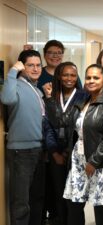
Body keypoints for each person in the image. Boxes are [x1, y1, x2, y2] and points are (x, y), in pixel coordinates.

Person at [63, 64, 103, 225]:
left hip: (101, 161)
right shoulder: (82, 100)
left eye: (96, 78)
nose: (91, 81)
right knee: (74, 204)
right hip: (79, 159)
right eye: (88, 77)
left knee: (102, 209)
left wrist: (94, 161)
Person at [1, 50, 46, 225]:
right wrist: (13, 71)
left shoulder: (35, 89)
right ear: (22, 67)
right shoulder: (16, 85)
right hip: (21, 151)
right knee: (21, 202)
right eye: (30, 65)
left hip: (37, 149)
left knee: (36, 198)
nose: (35, 68)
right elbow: (7, 99)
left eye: (38, 65)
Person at [42, 61, 87, 225]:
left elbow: (81, 127)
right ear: (59, 77)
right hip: (56, 155)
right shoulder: (51, 97)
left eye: (73, 75)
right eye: (66, 75)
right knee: (59, 195)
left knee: (75, 199)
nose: (69, 78)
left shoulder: (84, 96)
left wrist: (69, 151)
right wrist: (55, 152)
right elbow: (48, 126)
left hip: (76, 154)